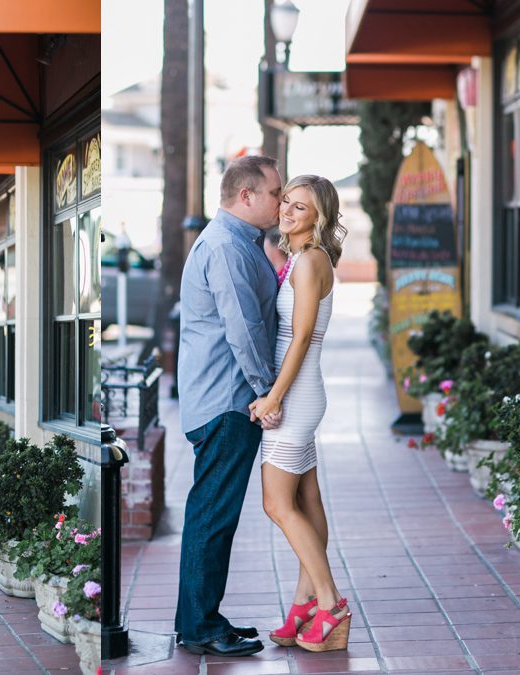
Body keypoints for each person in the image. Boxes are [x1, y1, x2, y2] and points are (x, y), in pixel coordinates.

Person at [174, 155, 283, 657]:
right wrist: (266, 391)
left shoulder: (239, 242)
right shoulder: (225, 247)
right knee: (212, 516)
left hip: (223, 399)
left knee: (213, 514)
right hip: (228, 401)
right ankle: (199, 627)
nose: (280, 203)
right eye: (275, 194)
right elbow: (243, 326)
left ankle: (202, 618)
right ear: (247, 196)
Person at [248, 175, 351, 652]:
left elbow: (302, 336)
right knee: (307, 500)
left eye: (301, 207)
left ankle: (330, 603)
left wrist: (274, 398)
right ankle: (303, 602)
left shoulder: (310, 261)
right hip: (301, 392)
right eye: (285, 201)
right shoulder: (299, 259)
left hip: (297, 395)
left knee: (277, 504)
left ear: (319, 217)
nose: (287, 211)